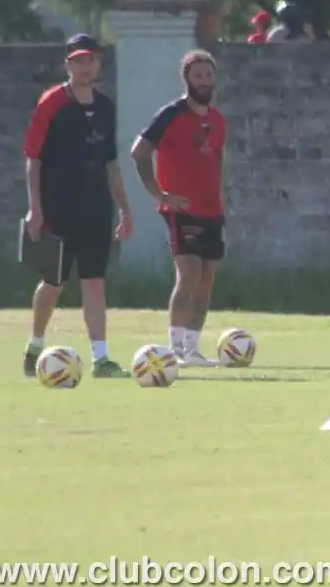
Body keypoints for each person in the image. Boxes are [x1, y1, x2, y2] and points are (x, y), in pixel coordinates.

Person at [21, 34, 133, 378]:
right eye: (79, 61)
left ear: (99, 64)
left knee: (94, 280)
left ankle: (101, 358)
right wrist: (35, 209)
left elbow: (111, 162)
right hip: (58, 205)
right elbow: (33, 158)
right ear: (67, 64)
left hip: (96, 206)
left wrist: (125, 209)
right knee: (53, 282)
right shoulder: (52, 102)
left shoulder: (105, 106)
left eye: (92, 60)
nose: (86, 67)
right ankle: (35, 345)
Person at [130, 50, 228, 367]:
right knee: (188, 274)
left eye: (208, 75)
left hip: (212, 210)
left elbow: (215, 160)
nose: (203, 81)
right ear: (186, 79)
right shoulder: (171, 114)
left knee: (207, 279)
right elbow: (139, 152)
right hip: (182, 209)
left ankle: (192, 349)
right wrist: (160, 194)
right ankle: (173, 350)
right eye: (197, 75)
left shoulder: (217, 120)